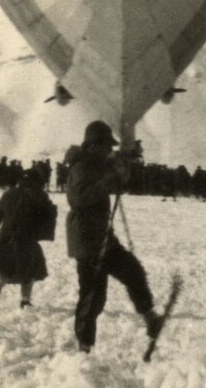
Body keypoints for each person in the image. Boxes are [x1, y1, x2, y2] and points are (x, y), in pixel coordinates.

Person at [65, 120, 163, 354]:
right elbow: (80, 197)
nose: (109, 150)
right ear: (93, 145)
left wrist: (127, 159)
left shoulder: (96, 163)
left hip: (103, 238)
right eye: (106, 146)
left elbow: (117, 170)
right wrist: (110, 180)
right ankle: (84, 345)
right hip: (86, 240)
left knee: (133, 271)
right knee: (93, 298)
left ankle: (150, 317)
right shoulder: (80, 167)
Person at [0, 169, 52, 308]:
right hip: (28, 239)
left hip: (6, 238)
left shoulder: (9, 194)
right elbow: (47, 220)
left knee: (4, 269)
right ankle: (25, 300)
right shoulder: (40, 195)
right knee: (29, 270)